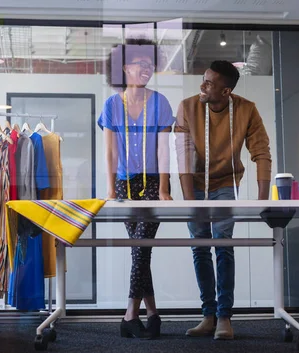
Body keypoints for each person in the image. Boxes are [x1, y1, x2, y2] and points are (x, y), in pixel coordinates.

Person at [174, 60, 271, 340]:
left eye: (209, 83)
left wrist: (263, 200)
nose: (202, 86)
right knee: (200, 246)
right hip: (193, 183)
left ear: (226, 91)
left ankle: (224, 317)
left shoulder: (246, 109)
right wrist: (190, 202)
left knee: (223, 243)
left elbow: (261, 152)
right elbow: (182, 156)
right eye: (203, 80)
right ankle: (208, 315)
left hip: (226, 182)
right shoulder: (188, 107)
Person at [98, 38, 174, 339]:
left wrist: (165, 188)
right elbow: (110, 153)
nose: (147, 69)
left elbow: (165, 151)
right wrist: (110, 190)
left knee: (141, 247)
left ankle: (130, 314)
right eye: (141, 63)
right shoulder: (112, 105)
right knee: (140, 250)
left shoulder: (160, 102)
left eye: (150, 64)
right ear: (124, 67)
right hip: (123, 185)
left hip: (153, 184)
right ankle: (153, 314)